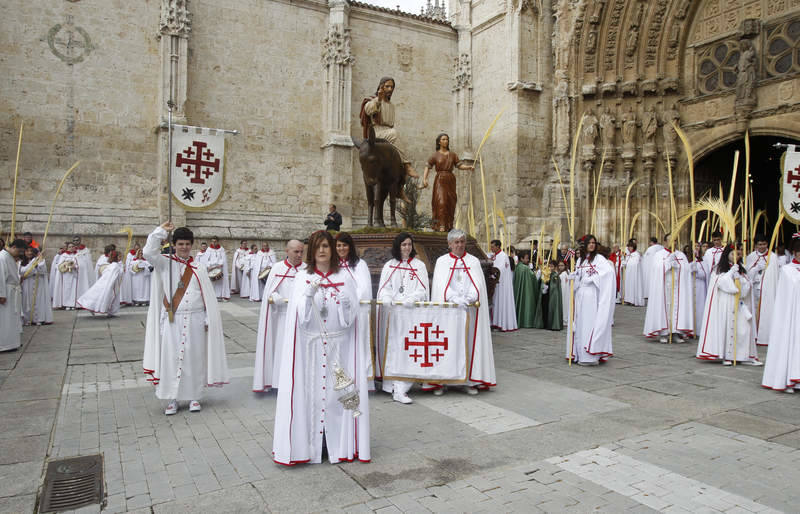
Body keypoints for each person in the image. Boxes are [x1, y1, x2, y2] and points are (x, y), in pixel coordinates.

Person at [273, 230, 369, 465]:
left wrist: (348, 305)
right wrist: (307, 296)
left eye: (327, 246)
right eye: (318, 247)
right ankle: (313, 445)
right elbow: (301, 320)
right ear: (312, 251)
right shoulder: (302, 278)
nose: (323, 251)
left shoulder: (345, 278)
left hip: (339, 347)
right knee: (313, 395)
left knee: (338, 396)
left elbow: (349, 322)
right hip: (311, 348)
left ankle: (339, 444)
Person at [142, 221, 229, 415]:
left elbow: (207, 295)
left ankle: (195, 396)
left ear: (192, 245)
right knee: (171, 359)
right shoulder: (165, 262)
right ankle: (172, 398)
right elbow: (148, 253)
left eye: (187, 244)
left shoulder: (199, 268)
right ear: (174, 245)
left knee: (194, 358)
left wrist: (208, 317)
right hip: (173, 319)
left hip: (196, 319)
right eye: (180, 244)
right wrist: (160, 232)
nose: (184, 247)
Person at [426, 229, 496, 395]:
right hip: (449, 313)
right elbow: (440, 286)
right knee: (447, 345)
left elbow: (478, 284)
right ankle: (443, 381)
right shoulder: (442, 262)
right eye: (456, 242)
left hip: (469, 311)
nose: (459, 245)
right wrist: (453, 298)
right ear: (449, 244)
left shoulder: (473, 262)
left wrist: (469, 298)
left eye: (462, 241)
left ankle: (469, 381)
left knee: (469, 344)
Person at [376, 232, 429, 404]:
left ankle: (403, 388)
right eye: (404, 244)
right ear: (398, 246)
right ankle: (391, 385)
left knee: (409, 349)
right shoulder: (389, 265)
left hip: (411, 314)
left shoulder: (419, 265)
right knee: (393, 349)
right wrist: (386, 297)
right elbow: (384, 288)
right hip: (394, 315)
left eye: (409, 244)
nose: (407, 248)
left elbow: (423, 290)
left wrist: (412, 298)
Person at [253, 239, 306, 393]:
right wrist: (274, 295)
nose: (299, 255)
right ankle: (279, 381)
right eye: (296, 251)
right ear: (287, 251)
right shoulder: (277, 268)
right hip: (282, 317)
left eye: (302, 251)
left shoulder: (307, 269)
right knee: (282, 350)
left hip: (301, 318)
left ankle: (299, 382)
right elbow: (270, 290)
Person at [696, 245, 761, 366]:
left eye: (738, 254)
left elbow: (747, 287)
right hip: (726, 302)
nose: (736, 256)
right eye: (733, 254)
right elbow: (720, 283)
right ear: (727, 255)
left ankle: (743, 355)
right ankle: (727, 355)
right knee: (727, 328)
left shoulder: (742, 268)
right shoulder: (719, 269)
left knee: (743, 329)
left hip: (739, 303)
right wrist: (731, 274)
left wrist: (740, 280)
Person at [565, 235, 615, 365]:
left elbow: (609, 273)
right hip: (580, 295)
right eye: (590, 243)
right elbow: (578, 277)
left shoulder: (599, 259)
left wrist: (594, 278)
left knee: (589, 324)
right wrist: (573, 277)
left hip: (591, 295)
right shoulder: (580, 260)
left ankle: (590, 356)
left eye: (594, 243)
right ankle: (579, 353)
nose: (592, 245)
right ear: (585, 245)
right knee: (580, 325)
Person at [761, 234, 800, 392]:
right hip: (792, 317)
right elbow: (785, 298)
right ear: (794, 252)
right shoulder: (787, 270)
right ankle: (788, 377)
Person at [335, 233, 372, 391]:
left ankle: (362, 379)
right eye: (338, 246)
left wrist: (348, 301)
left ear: (350, 246)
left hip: (358, 311)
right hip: (337, 312)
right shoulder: (333, 265)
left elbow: (363, 288)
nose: (341, 248)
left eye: (344, 245)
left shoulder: (359, 264)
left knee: (359, 343)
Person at [362, 77, 419, 179]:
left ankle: (400, 184)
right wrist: (378, 99)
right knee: (394, 133)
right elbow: (369, 110)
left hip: (388, 132)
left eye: (392, 87)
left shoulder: (391, 105)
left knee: (396, 155)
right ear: (381, 87)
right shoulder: (373, 100)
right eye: (387, 86)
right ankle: (407, 165)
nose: (390, 89)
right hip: (376, 131)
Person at [643, 236, 695, 343]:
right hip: (664, 287)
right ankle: (664, 333)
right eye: (671, 240)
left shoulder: (681, 255)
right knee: (664, 308)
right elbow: (656, 269)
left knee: (676, 308)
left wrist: (678, 266)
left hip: (677, 287)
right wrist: (667, 263)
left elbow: (686, 269)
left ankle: (676, 332)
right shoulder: (659, 254)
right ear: (665, 241)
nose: (673, 242)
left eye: (675, 240)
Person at [420, 133, 474, 232]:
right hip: (440, 179)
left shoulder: (453, 154)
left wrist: (468, 167)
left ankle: (449, 225)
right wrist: (424, 179)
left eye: (447, 139)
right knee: (441, 201)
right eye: (444, 139)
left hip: (450, 179)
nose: (446, 141)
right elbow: (428, 166)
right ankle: (441, 225)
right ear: (439, 142)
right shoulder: (435, 155)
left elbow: (459, 166)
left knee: (450, 202)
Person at [745, 234, 779, 346]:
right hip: (754, 287)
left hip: (767, 289)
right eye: (759, 244)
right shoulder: (751, 256)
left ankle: (765, 336)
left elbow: (775, 275)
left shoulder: (773, 257)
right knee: (753, 310)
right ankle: (753, 335)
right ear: (756, 245)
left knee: (766, 310)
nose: (762, 247)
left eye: (764, 244)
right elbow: (746, 274)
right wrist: (756, 268)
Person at [78, 250, 123, 316]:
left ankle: (110, 312)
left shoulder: (113, 265)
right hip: (111, 285)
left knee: (105, 297)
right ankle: (107, 311)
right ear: (115, 257)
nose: (120, 258)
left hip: (111, 284)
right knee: (107, 297)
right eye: (119, 257)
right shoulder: (115, 266)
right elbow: (113, 276)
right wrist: (121, 270)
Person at [0, 240, 26, 352]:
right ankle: (4, 344)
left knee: (12, 318)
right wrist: (1, 294)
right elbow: (1, 277)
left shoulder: (9, 257)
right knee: (5, 319)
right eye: (19, 251)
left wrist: (19, 279)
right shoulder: (2, 257)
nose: (20, 254)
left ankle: (12, 342)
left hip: (13, 291)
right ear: (14, 247)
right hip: (7, 292)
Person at [489, 240, 518, 332]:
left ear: (498, 246)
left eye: (493, 246)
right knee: (495, 303)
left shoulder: (503, 256)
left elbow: (500, 269)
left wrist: (492, 274)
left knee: (500, 302)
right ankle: (495, 322)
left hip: (501, 284)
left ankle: (501, 323)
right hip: (495, 283)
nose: (491, 248)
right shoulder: (494, 255)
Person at [20, 247, 53, 325]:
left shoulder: (40, 261)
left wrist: (39, 260)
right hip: (26, 285)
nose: (29, 253)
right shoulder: (21, 262)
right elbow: (23, 272)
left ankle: (38, 319)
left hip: (38, 285)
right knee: (26, 301)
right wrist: (33, 264)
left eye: (31, 251)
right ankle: (27, 319)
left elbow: (42, 270)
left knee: (38, 301)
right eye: (27, 251)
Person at [52, 242, 81, 310]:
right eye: (70, 247)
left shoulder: (77, 255)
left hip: (74, 274)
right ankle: (66, 304)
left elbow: (80, 264)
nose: (71, 248)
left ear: (74, 247)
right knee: (66, 289)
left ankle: (73, 304)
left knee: (73, 289)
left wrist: (75, 266)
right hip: (66, 275)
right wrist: (66, 265)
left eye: (72, 247)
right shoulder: (64, 255)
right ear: (67, 248)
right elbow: (59, 265)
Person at [513, 252, 538, 328]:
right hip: (527, 292)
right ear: (521, 259)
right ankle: (527, 322)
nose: (528, 260)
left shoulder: (517, 267)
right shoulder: (526, 268)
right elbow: (533, 277)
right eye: (526, 258)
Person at [690, 243, 708, 336]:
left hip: (700, 287)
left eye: (698, 246)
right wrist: (690, 269)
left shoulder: (703, 261)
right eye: (695, 246)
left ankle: (699, 330)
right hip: (690, 287)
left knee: (700, 309)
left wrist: (697, 271)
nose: (696, 248)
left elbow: (705, 275)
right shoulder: (687, 260)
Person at [206, 237, 231, 301]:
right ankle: (212, 295)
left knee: (220, 283)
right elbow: (206, 259)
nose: (214, 243)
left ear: (217, 242)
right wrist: (209, 266)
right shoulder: (209, 249)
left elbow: (223, 259)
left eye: (215, 241)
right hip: (211, 268)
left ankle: (219, 295)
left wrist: (220, 264)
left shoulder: (221, 249)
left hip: (219, 268)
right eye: (212, 241)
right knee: (212, 282)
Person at [621, 240, 644, 306]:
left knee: (633, 286)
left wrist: (627, 263)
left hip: (634, 274)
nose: (629, 248)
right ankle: (628, 300)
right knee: (628, 286)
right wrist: (623, 260)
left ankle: (634, 300)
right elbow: (626, 263)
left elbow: (634, 264)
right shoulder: (629, 255)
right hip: (629, 274)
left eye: (630, 247)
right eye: (628, 247)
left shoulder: (636, 255)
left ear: (633, 247)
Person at [544, 260, 563, 331]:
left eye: (551, 266)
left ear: (555, 267)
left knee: (553, 308)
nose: (550, 268)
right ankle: (549, 324)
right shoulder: (548, 274)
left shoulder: (555, 275)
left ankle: (554, 324)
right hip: (549, 294)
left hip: (554, 295)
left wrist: (549, 286)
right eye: (549, 266)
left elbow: (554, 285)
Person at [558, 260, 570, 327]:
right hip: (564, 292)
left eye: (562, 265)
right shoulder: (562, 273)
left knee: (565, 305)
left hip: (565, 292)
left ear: (565, 266)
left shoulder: (564, 274)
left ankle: (565, 320)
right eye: (559, 265)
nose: (560, 267)